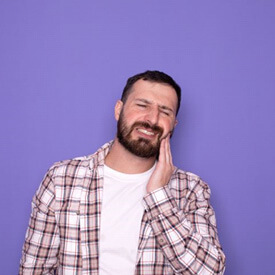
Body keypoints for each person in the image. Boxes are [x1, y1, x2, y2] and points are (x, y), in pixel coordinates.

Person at [20, 70, 226, 274]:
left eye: (165, 112)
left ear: (173, 124)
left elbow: (211, 271)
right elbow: (33, 270)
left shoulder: (192, 189)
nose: (152, 119)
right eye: (142, 105)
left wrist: (159, 196)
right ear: (119, 110)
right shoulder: (62, 179)